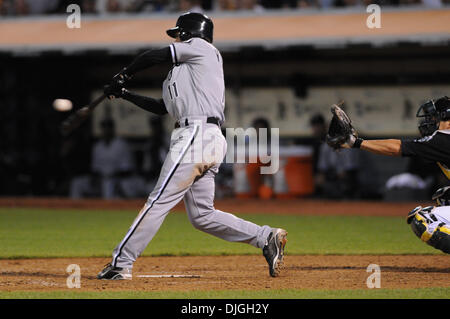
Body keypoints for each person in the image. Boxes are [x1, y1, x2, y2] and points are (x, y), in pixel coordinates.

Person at [96, 12, 287, 280]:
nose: (176, 37)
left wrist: (124, 74)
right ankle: (265, 237)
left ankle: (120, 264)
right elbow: (162, 108)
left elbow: (153, 56)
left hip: (197, 134)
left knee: (158, 201)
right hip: (200, 137)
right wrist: (124, 94)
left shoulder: (203, 49)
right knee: (202, 216)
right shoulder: (180, 75)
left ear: (188, 33)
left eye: (178, 33)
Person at [327, 96, 450, 254]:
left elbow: (397, 147)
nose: (430, 122)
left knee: (424, 220)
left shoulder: (444, 138)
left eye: (434, 118)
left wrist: (354, 142)